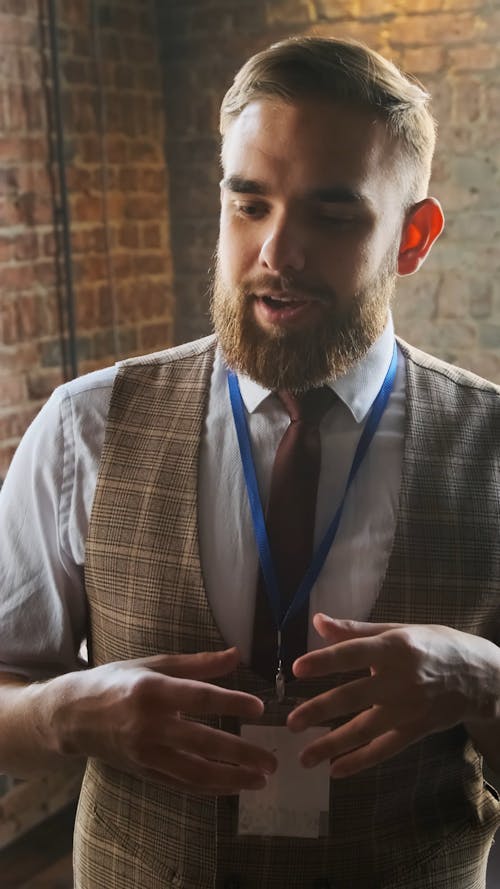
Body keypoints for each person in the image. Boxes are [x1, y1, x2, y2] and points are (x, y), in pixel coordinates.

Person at [1, 35, 500, 889]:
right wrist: (61, 714)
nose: (277, 252)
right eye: (250, 203)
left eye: (332, 215)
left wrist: (483, 681)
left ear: (413, 238)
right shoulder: (84, 427)